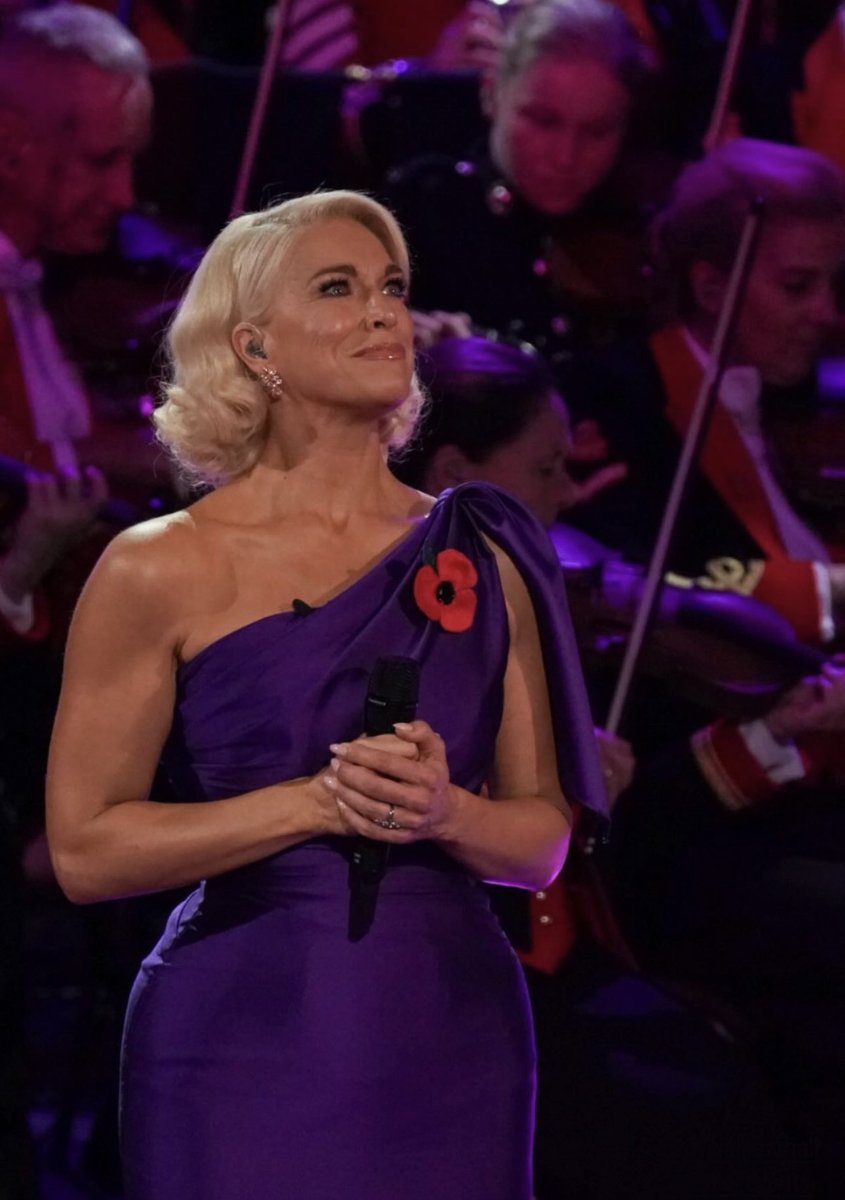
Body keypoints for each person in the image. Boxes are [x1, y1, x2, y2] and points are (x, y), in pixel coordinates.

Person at [46, 190, 606, 1200]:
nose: (384, 311)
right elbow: (86, 853)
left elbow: (540, 845)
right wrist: (315, 801)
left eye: (391, 287)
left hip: (451, 1031)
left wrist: (445, 811)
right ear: (253, 344)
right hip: (238, 1034)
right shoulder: (155, 568)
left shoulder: (484, 546)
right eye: (339, 289)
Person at [393, 333, 811, 1199]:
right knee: (684, 1103)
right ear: (451, 472)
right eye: (544, 470)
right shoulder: (379, 616)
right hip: (449, 972)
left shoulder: (523, 598)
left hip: (563, 947)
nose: (569, 495)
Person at [385, 0, 672, 360]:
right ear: (492, 94)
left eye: (597, 131)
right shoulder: (425, 207)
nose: (566, 156)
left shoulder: (642, 230)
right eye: (543, 121)